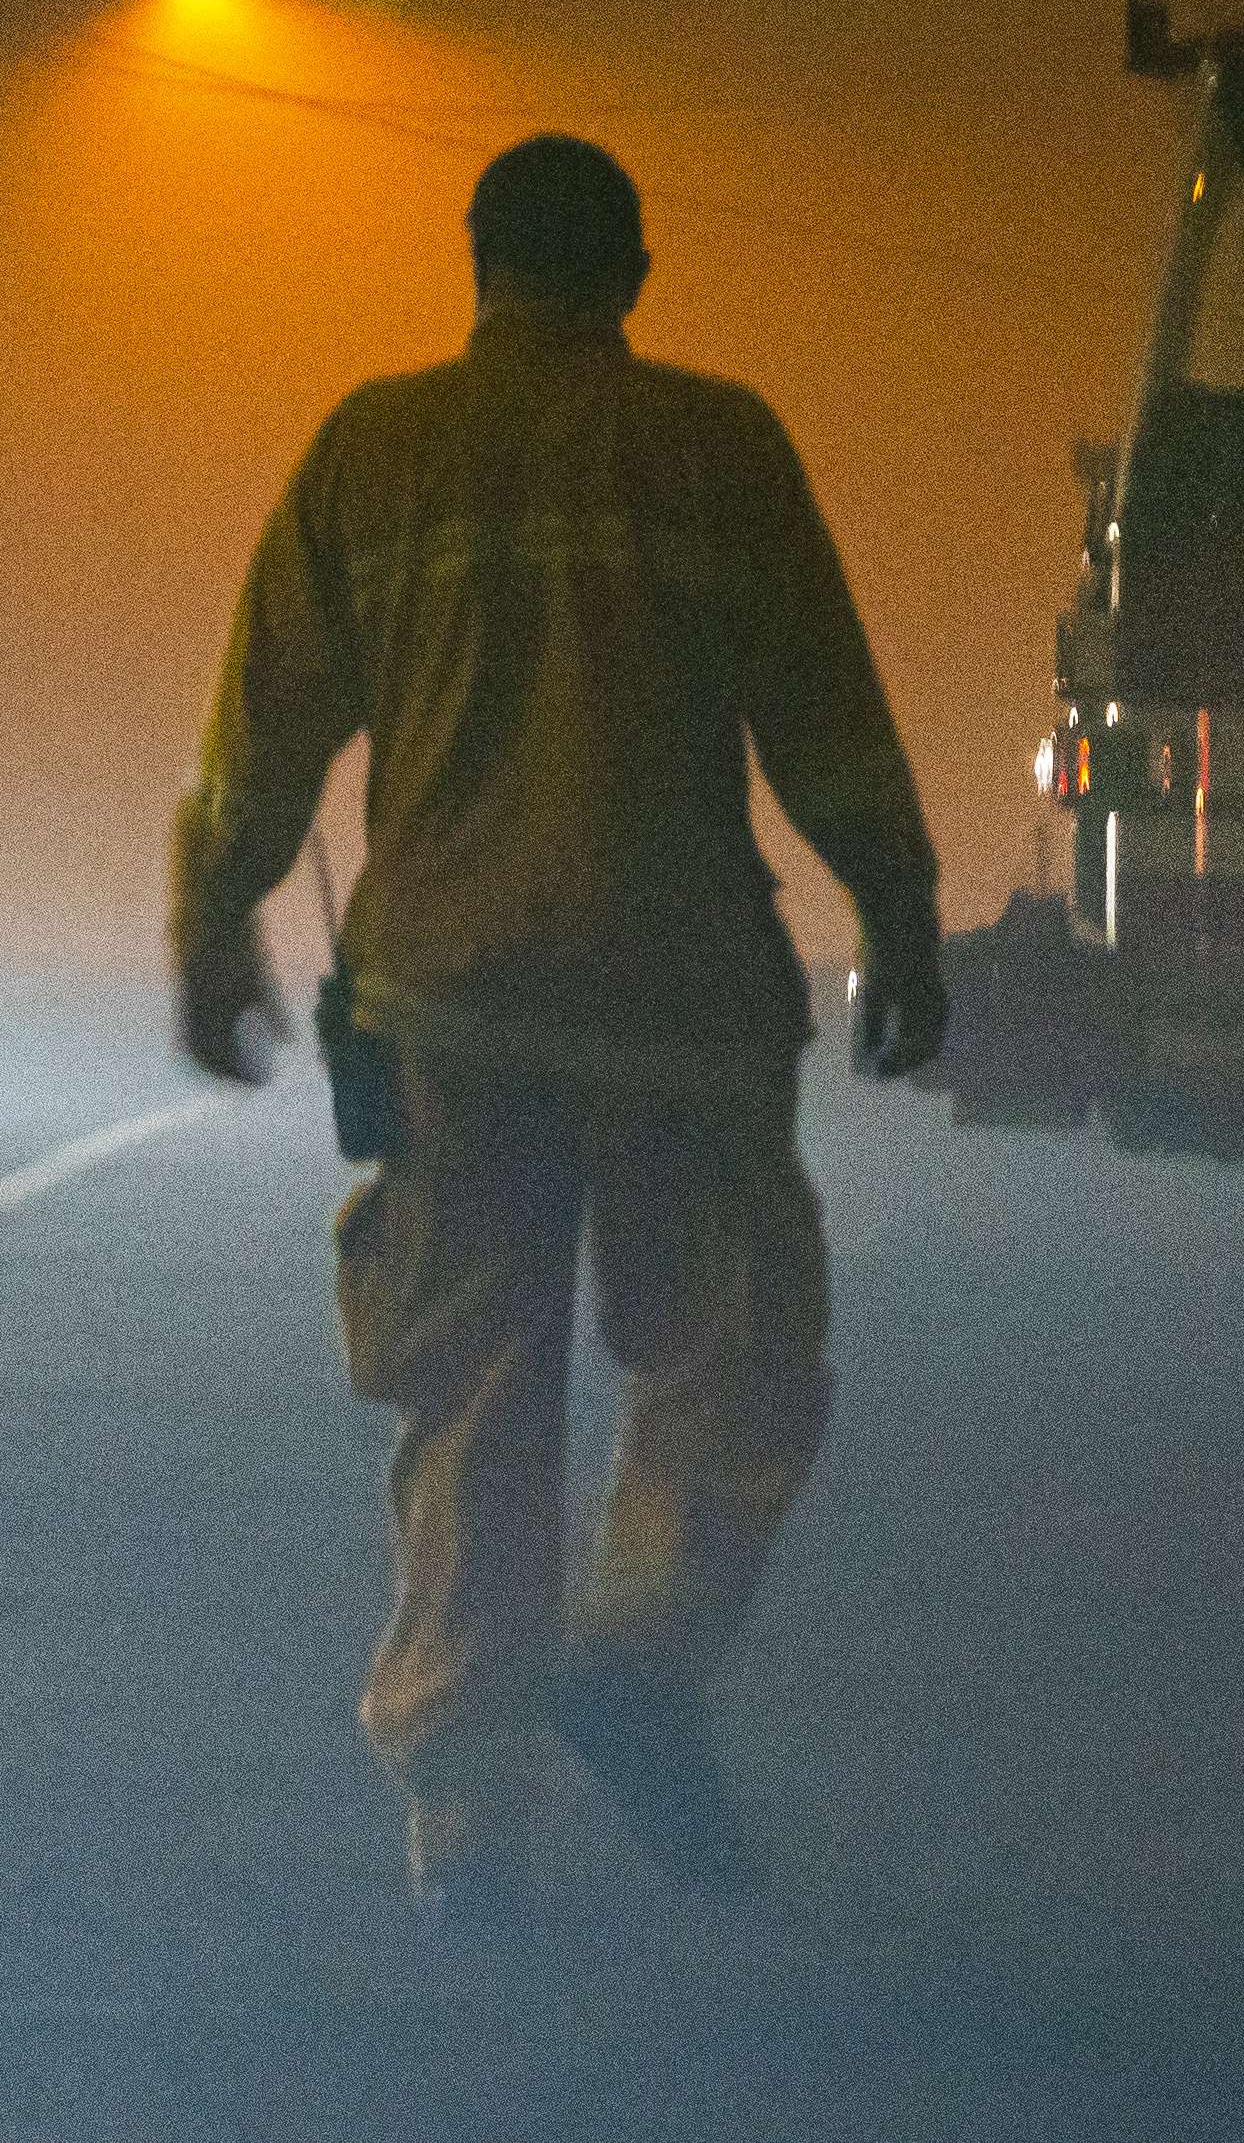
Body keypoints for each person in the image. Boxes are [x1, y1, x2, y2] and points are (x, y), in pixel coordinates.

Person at [169, 132, 943, 1933]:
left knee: (474, 1401)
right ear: (637, 272)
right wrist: (896, 913)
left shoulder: (379, 451)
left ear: (475, 265)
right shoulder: (717, 449)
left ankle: (466, 1828)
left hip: (447, 1003)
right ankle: (646, 1650)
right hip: (675, 1001)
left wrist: (212, 920)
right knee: (736, 1352)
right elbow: (824, 710)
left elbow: (266, 717)